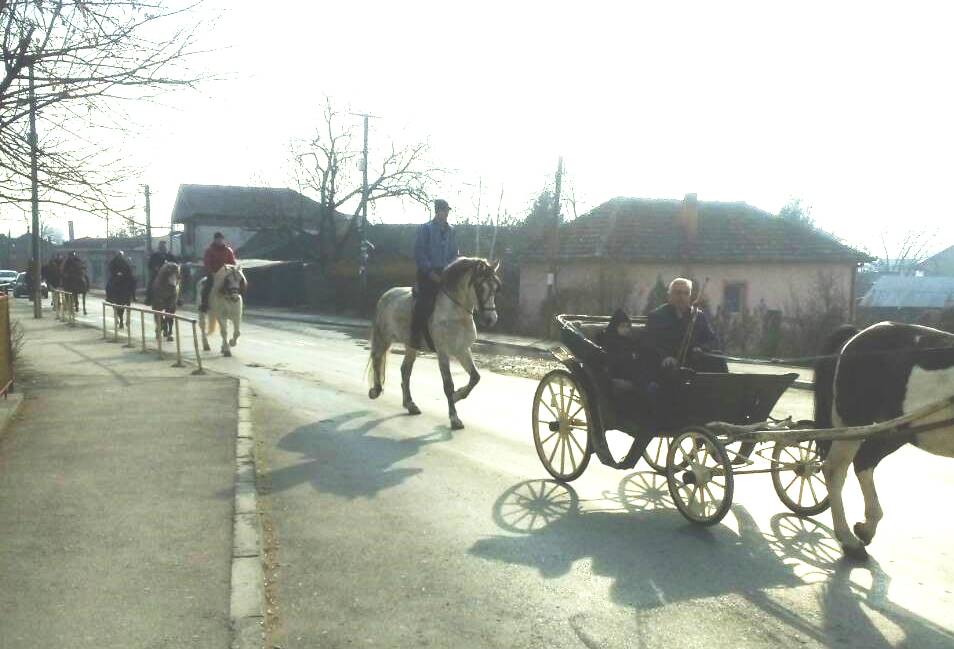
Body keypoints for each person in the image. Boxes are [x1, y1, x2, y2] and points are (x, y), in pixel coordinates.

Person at [410, 199, 459, 350]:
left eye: (447, 211)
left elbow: (454, 253)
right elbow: (420, 253)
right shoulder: (425, 229)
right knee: (426, 302)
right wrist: (430, 272)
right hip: (428, 273)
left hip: (446, 272)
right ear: (437, 211)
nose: (446, 214)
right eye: (444, 211)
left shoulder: (452, 230)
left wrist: (452, 269)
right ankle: (415, 336)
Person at [200, 232, 236, 312]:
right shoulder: (209, 250)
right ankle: (204, 304)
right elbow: (207, 263)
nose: (220, 241)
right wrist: (211, 272)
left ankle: (236, 300)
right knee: (207, 287)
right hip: (214, 274)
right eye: (218, 239)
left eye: (221, 239)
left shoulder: (228, 250)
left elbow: (232, 262)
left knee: (236, 283)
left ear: (223, 240)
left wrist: (231, 270)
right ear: (215, 240)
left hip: (226, 274)